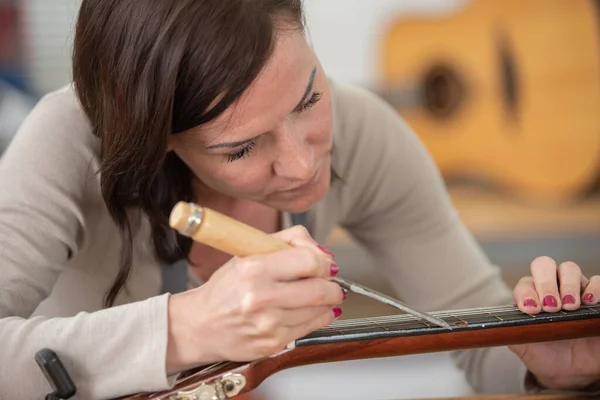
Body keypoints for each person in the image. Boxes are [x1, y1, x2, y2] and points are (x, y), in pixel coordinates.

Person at [0, 0, 598, 398]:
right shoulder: (68, 140)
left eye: (309, 100)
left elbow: (472, 335)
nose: (305, 162)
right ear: (159, 141)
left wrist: (541, 365)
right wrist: (188, 327)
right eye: (240, 149)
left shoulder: (366, 134)